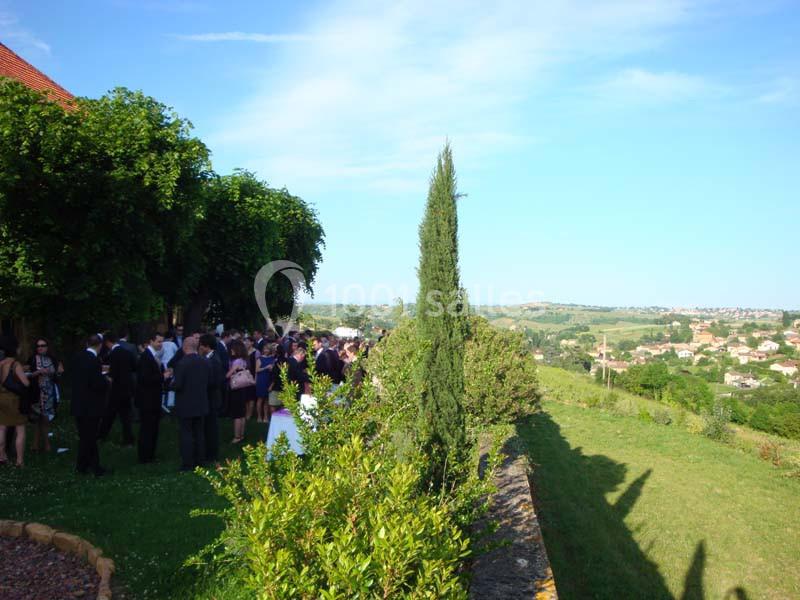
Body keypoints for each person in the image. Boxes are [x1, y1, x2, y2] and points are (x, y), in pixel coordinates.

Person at [71, 334, 110, 475]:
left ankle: (87, 464)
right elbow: (96, 383)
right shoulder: (94, 361)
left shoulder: (77, 357)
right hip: (91, 405)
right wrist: (106, 381)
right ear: (99, 345)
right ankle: (88, 466)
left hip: (78, 403)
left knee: (85, 436)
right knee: (90, 437)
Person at [172, 337, 209, 471]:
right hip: (201, 402)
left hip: (186, 403)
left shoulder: (182, 363)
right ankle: (200, 460)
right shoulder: (205, 362)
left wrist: (170, 384)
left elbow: (178, 384)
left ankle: (188, 462)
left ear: (184, 347)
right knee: (199, 433)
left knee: (186, 433)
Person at [136, 332, 168, 464]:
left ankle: (150, 454)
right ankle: (145, 456)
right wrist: (162, 377)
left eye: (162, 342)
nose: (161, 344)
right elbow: (145, 378)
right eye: (158, 342)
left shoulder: (153, 356)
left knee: (153, 427)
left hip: (153, 398)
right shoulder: (146, 357)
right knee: (148, 428)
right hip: (147, 399)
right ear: (151, 342)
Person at [26, 338, 63, 453]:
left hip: (49, 393)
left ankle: (45, 445)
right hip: (36, 392)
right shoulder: (32, 359)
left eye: (43, 345)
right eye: (38, 346)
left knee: (45, 419)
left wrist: (58, 372)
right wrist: (35, 373)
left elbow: (59, 373)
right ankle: (36, 445)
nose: (40, 348)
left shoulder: (53, 359)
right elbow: (24, 372)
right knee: (37, 419)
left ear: (47, 346)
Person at [98, 334, 135, 446]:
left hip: (116, 389)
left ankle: (101, 435)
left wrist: (107, 375)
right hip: (127, 387)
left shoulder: (113, 354)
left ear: (108, 342)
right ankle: (128, 439)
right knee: (125, 416)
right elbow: (134, 366)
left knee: (109, 413)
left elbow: (113, 372)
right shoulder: (127, 352)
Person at [0, 336, 30, 467]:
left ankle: (2, 456)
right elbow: (26, 383)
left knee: (2, 428)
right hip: (13, 400)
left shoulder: (0, 363)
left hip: (1, 398)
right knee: (20, 429)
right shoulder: (15, 364)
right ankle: (19, 460)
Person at [199, 334, 224, 462]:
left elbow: (214, 381)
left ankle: (212, 454)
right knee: (209, 426)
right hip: (210, 397)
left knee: (211, 427)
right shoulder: (210, 358)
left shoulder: (214, 360)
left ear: (206, 346)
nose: (200, 348)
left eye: (201, 346)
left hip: (212, 398)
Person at [225, 340, 252, 444]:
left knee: (237, 414)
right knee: (242, 413)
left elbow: (228, 375)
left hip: (236, 389)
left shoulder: (236, 362)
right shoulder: (244, 360)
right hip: (243, 388)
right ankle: (241, 435)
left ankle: (237, 436)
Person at [255, 343, 276, 423]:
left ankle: (266, 416)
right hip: (261, 379)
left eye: (267, 349)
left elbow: (274, 369)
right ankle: (259, 416)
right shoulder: (259, 359)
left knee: (267, 400)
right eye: (265, 349)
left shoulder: (272, 358)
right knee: (260, 399)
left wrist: (271, 369)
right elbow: (257, 370)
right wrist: (265, 367)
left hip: (269, 379)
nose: (266, 350)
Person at [244, 336, 259, 421]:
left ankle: (250, 414)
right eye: (245, 342)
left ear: (252, 343)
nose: (246, 343)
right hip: (245, 376)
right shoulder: (244, 352)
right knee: (246, 396)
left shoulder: (256, 352)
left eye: (248, 342)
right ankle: (246, 412)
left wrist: (256, 379)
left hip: (252, 376)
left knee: (251, 397)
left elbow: (257, 367)